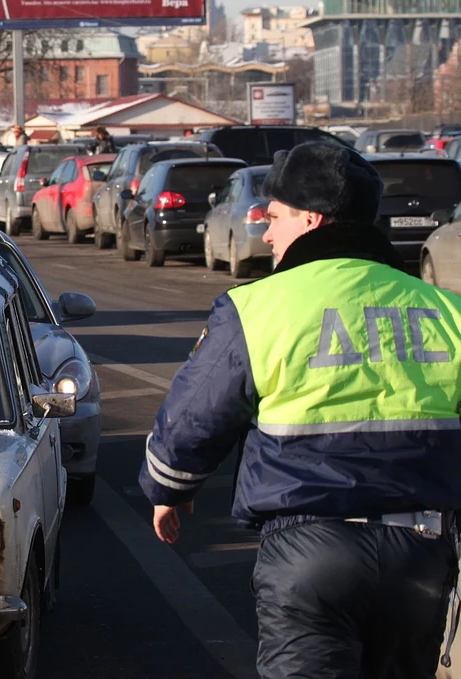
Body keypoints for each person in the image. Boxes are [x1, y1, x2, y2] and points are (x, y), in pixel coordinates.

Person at [139, 141, 461, 678]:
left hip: (309, 552)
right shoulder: (444, 310)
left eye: (275, 216)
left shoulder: (258, 306)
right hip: (421, 556)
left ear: (311, 219)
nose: (266, 231)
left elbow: (197, 414)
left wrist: (169, 489)